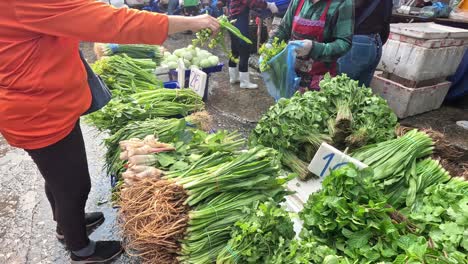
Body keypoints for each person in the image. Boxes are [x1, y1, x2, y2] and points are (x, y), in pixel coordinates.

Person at [0, 1, 219, 263]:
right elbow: (113, 22)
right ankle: (81, 250)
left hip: (43, 104)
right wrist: (191, 22)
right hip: (41, 113)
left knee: (58, 178)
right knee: (74, 186)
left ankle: (66, 226)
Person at [270, 0, 354, 91]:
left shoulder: (343, 3)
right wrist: (270, 43)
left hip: (321, 82)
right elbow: (284, 28)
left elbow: (344, 43)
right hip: (291, 76)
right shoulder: (298, 1)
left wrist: (313, 48)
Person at [224, 0, 279, 89]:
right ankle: (244, 82)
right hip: (239, 20)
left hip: (232, 20)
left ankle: (233, 78)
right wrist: (268, 5)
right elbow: (252, 1)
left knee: (235, 49)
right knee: (244, 48)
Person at [338, 0, 393, 87]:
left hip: (356, 41)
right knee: (359, 93)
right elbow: (386, 20)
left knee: (337, 89)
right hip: (375, 43)